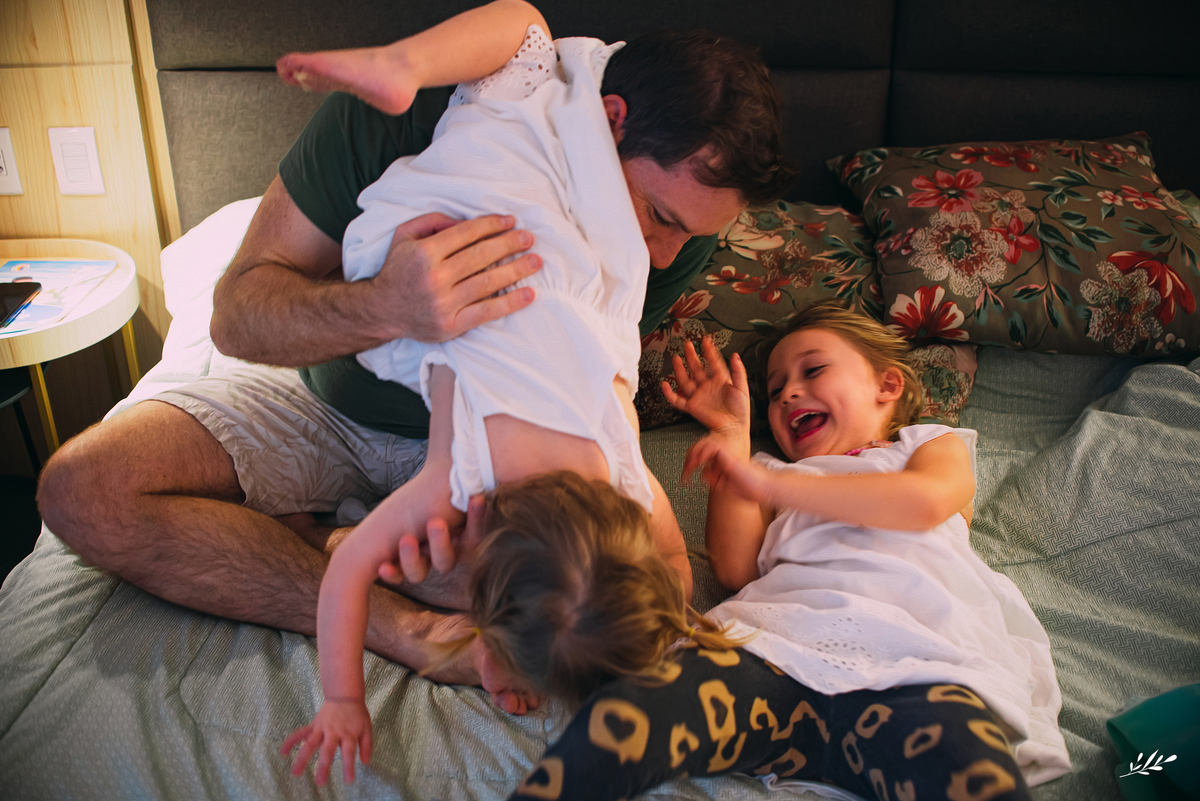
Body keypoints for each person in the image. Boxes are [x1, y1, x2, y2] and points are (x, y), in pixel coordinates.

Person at [36, 0, 794, 707]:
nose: (664, 256)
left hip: (487, 455)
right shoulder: (457, 112)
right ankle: (405, 624)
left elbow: (599, 381)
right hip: (325, 401)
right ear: (610, 121)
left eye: (688, 237)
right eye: (658, 217)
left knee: (606, 589)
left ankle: (327, 541)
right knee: (84, 490)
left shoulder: (673, 246)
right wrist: (386, 306)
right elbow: (237, 318)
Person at [277, 14, 746, 782]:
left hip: (527, 243)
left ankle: (406, 60)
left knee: (526, 32)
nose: (665, 256)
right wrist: (342, 699)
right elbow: (350, 573)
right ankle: (402, 63)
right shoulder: (452, 480)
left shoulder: (619, 466)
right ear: (481, 549)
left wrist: (675, 624)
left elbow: (666, 558)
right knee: (517, 83)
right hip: (466, 239)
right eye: (662, 220)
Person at [502, 301, 1071, 801]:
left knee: (968, 770)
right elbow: (734, 567)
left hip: (919, 665)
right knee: (641, 706)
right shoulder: (772, 472)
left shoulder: (926, 445)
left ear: (887, 386)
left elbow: (925, 502)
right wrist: (734, 438)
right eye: (775, 392)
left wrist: (772, 486)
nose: (789, 392)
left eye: (813, 370)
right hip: (778, 654)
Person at [283, 472, 739, 786]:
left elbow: (669, 570)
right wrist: (343, 698)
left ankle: (497, 648)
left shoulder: (635, 493)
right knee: (400, 554)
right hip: (442, 407)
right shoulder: (463, 467)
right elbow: (349, 566)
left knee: (646, 593)